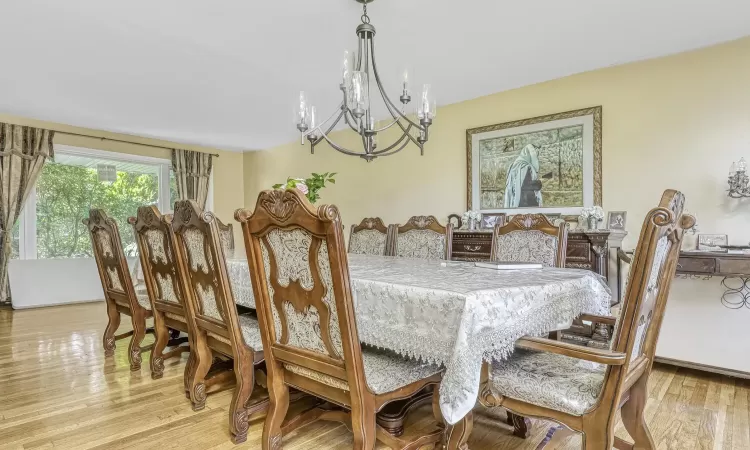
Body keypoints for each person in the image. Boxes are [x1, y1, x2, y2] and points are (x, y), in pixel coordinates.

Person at [503, 144, 543, 208]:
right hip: (526, 203)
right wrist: (538, 184)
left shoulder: (514, 165)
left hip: (516, 201)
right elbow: (526, 186)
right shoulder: (525, 167)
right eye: (536, 153)